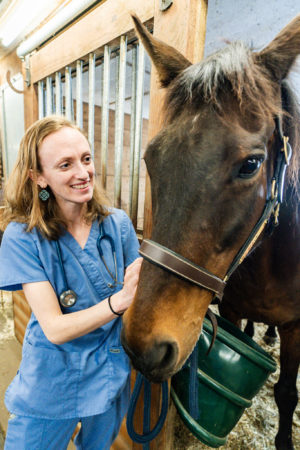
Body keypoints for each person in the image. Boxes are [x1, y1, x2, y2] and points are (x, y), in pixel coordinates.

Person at [0, 115, 142, 450]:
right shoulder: (23, 238)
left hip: (109, 370)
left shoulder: (117, 225)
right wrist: (118, 302)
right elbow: (54, 328)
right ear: (39, 178)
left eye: (86, 158)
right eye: (65, 164)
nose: (82, 173)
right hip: (53, 376)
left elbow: (141, 293)